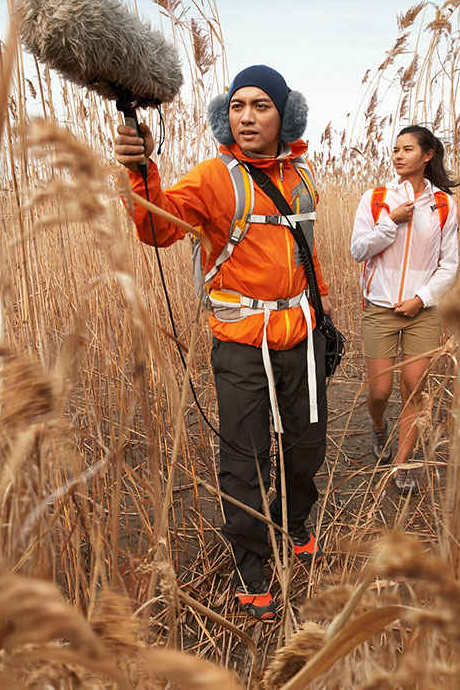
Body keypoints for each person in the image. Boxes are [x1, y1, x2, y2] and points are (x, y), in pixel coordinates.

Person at [113, 65, 330, 622]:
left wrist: (324, 316)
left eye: (261, 105)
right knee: (244, 458)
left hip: (301, 338)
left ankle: (295, 521)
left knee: (305, 448)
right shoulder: (213, 177)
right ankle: (252, 565)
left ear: (286, 115)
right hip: (239, 344)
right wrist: (140, 173)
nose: (248, 116)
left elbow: (309, 259)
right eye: (238, 106)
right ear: (225, 115)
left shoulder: (300, 176)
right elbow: (156, 227)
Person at [348, 125, 460, 494]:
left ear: (427, 156)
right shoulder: (376, 198)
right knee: (380, 391)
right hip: (379, 309)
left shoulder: (443, 204)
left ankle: (404, 466)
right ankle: (379, 429)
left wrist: (421, 299)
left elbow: (449, 265)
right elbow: (359, 249)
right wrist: (390, 222)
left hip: (422, 312)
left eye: (407, 149)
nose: (398, 155)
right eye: (395, 149)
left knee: (413, 388)